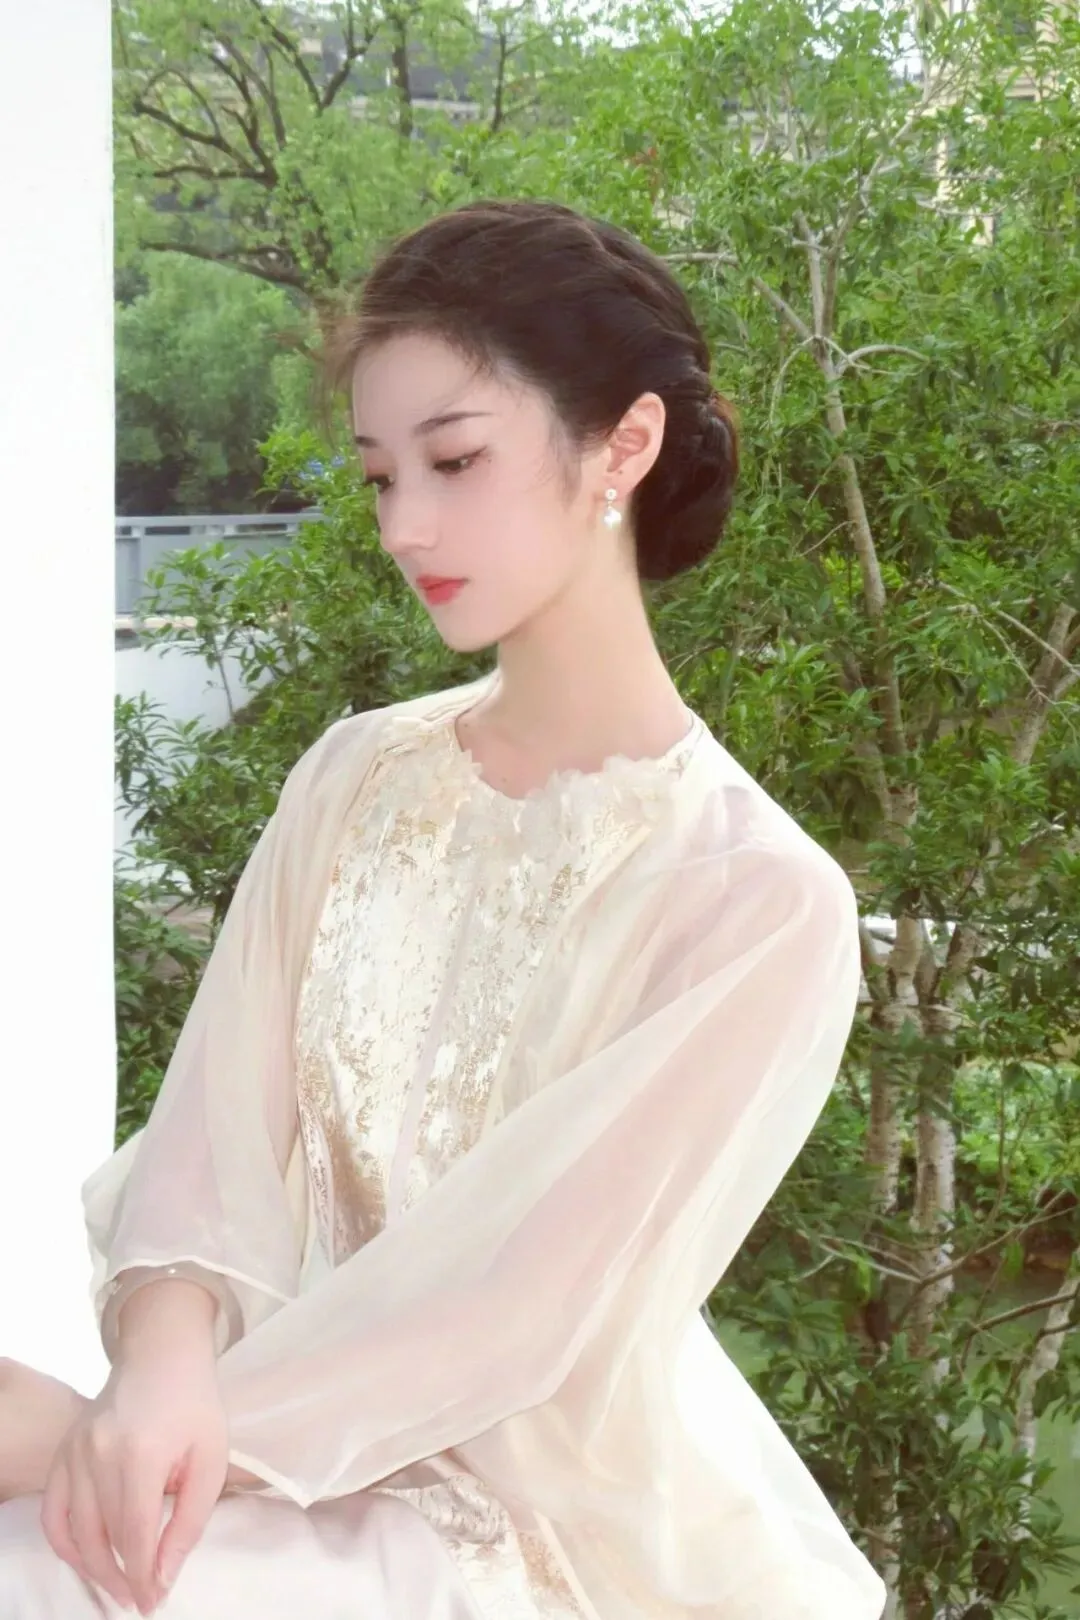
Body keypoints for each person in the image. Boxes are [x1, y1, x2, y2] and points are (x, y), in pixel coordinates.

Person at [0, 198, 887, 1620]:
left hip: (532, 1521)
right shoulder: (354, 778)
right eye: (377, 476)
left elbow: (515, 1320)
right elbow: (209, 1154)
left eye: (456, 460)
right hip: (258, 1447)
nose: (405, 525)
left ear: (625, 445)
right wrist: (157, 1378)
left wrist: (94, 1445)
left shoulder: (760, 902)